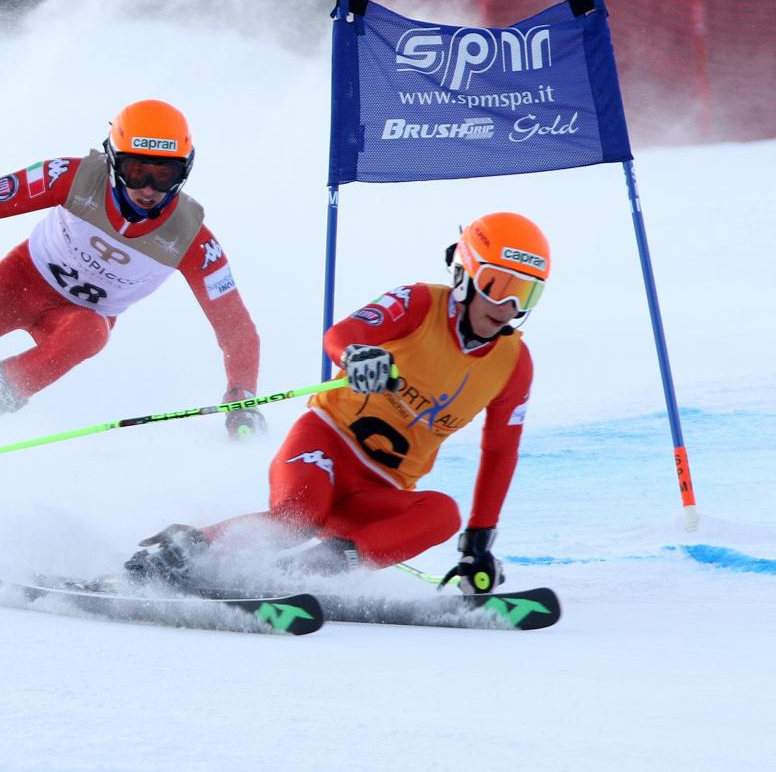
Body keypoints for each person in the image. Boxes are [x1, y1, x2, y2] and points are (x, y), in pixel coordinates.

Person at [124, 211, 551, 593]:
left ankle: (310, 572)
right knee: (301, 516)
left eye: (525, 295)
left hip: (378, 490)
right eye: (499, 286)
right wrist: (356, 356)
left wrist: (478, 542)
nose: (507, 307)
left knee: (442, 512)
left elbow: (500, 451)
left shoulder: (514, 365)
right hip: (324, 446)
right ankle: (183, 550)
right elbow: (341, 335)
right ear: (466, 274)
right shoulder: (419, 303)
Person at [0, 99, 265, 438]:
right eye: (135, 170)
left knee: (91, 333)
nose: (148, 188)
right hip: (18, 284)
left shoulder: (193, 239)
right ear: (112, 161)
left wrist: (241, 394)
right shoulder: (73, 176)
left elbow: (235, 328)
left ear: (186, 171)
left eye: (165, 175)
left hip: (77, 318)